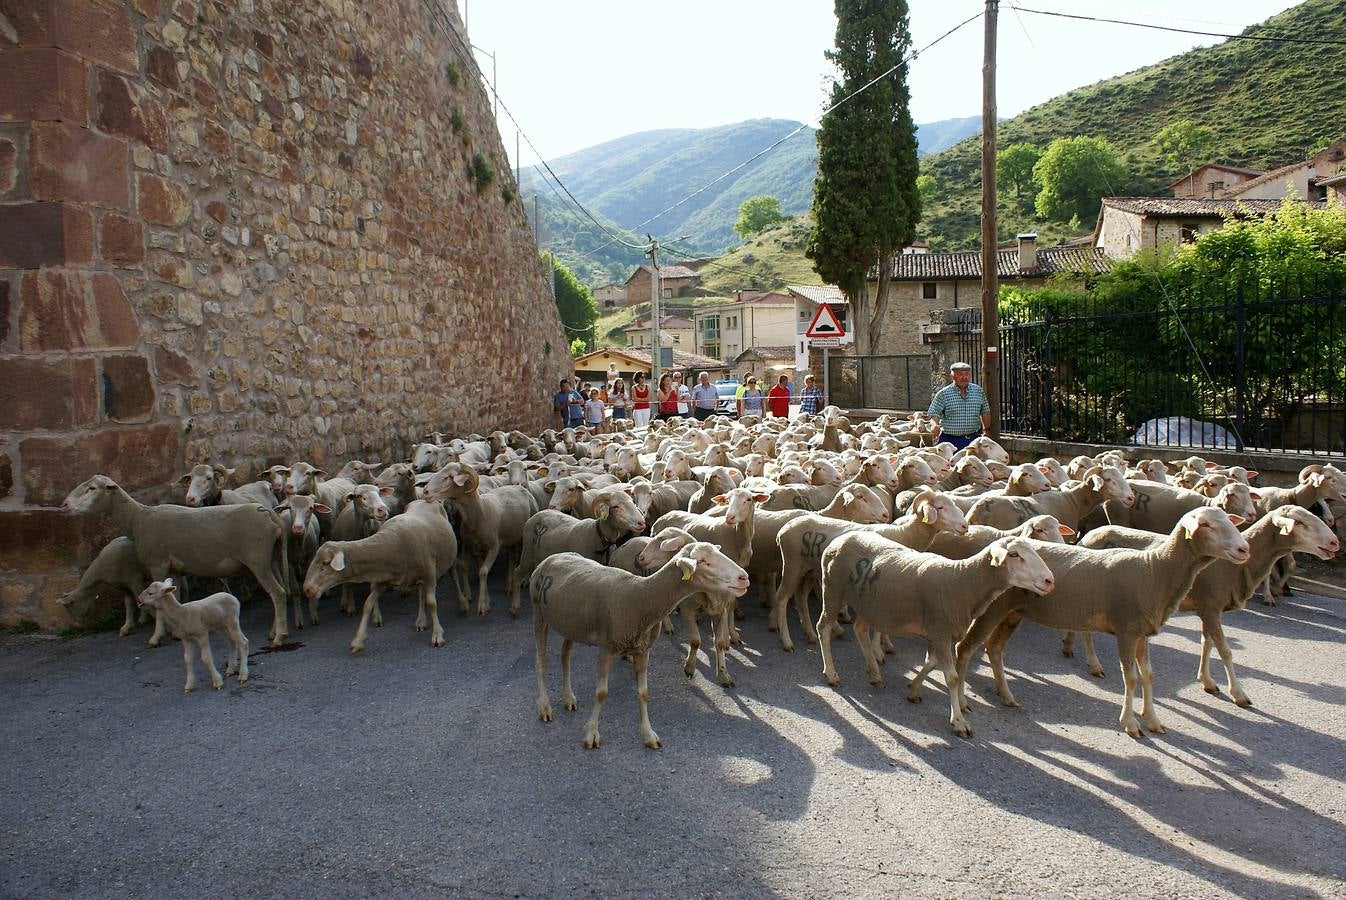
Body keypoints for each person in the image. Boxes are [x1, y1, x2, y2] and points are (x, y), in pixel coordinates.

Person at [928, 361, 991, 451]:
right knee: (948, 464)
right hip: (949, 442)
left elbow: (985, 411)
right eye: (960, 374)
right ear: (952, 376)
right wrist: (934, 425)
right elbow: (934, 413)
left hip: (973, 440)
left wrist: (987, 430)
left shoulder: (978, 391)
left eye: (966, 374)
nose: (964, 377)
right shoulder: (943, 394)